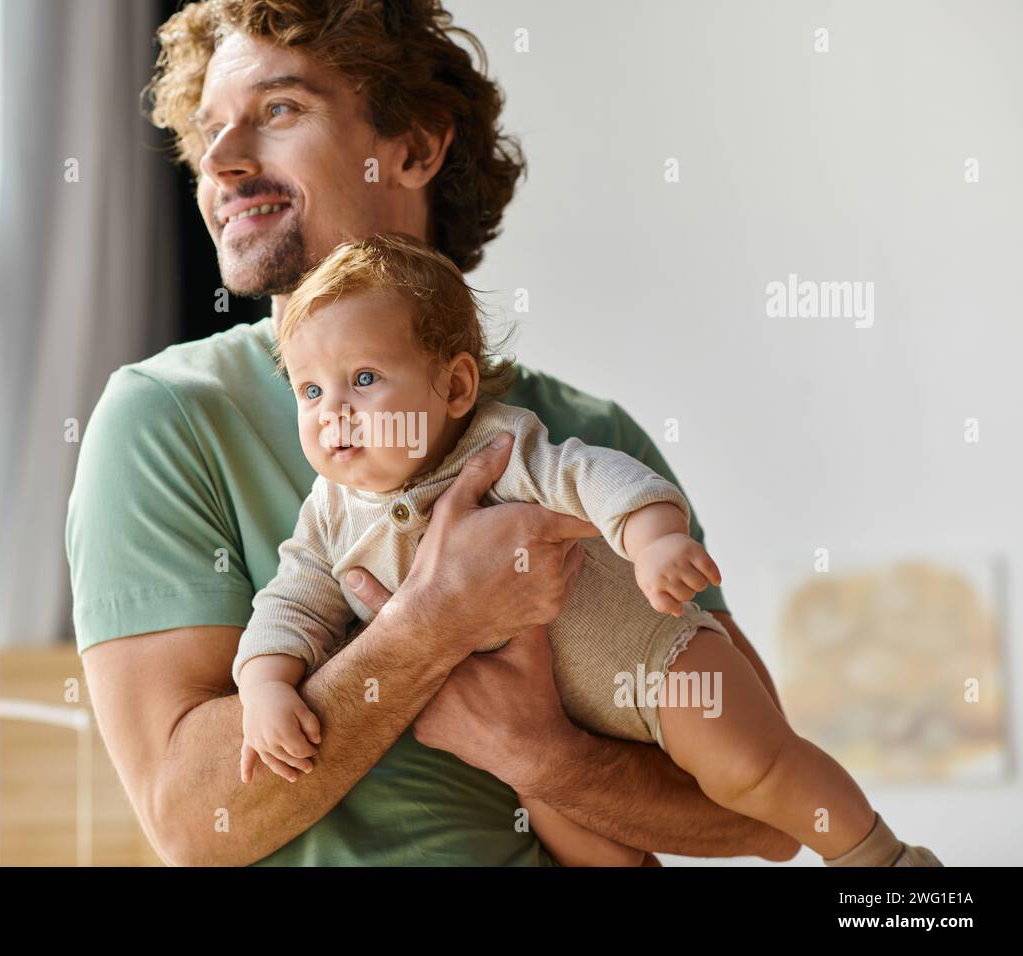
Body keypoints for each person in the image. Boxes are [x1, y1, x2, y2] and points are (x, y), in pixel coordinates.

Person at [67, 0, 801, 866]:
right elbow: (191, 822)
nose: (221, 161)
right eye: (208, 131)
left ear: (415, 146)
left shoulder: (592, 441)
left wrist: (542, 755)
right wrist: (431, 626)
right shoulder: (167, 418)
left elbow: (766, 818)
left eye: (278, 111)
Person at [233, 232, 942, 868]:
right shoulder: (326, 516)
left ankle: (875, 859)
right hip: (554, 728)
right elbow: (290, 602)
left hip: (652, 659)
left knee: (751, 770)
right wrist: (266, 684)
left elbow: (593, 477)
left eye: (363, 380)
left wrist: (655, 537)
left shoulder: (500, 445)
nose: (334, 412)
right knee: (585, 846)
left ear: (453, 386)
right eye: (310, 390)